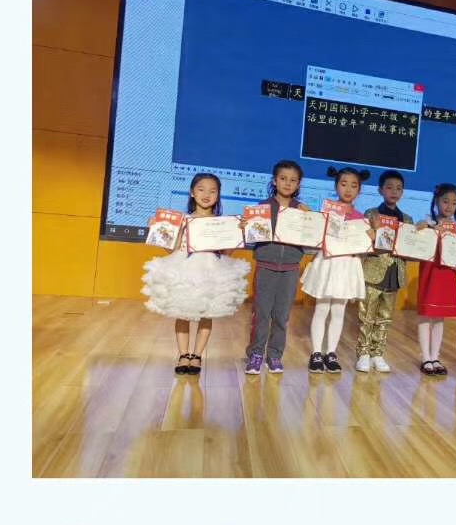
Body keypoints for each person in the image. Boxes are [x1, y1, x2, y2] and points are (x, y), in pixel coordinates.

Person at [142, 172, 250, 376]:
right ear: (192, 192)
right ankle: (183, 355)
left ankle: (197, 355)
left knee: (206, 315)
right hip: (185, 270)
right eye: (201, 189)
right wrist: (156, 231)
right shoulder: (183, 220)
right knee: (182, 313)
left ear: (218, 195)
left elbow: (226, 253)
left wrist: (240, 233)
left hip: (212, 271)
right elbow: (173, 250)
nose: (206, 195)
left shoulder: (223, 223)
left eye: (212, 191)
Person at [241, 159, 312, 375]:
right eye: (283, 178)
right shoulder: (262, 208)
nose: (287, 183)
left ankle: (274, 355)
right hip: (265, 266)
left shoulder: (302, 210)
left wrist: (311, 220)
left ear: (298, 184)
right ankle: (255, 354)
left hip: (290, 269)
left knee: (282, 316)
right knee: (261, 314)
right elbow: (251, 236)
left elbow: (312, 237)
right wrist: (245, 226)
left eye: (293, 180)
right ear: (274, 181)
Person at [300, 165, 370, 372]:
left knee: (339, 311)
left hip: (348, 265)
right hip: (328, 262)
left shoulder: (361, 218)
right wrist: (310, 217)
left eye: (354, 185)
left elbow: (365, 245)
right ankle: (316, 353)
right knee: (321, 309)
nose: (348, 189)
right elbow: (315, 234)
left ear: (360, 190)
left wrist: (372, 236)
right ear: (336, 186)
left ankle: (331, 353)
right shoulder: (327, 211)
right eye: (343, 184)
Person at [358, 170, 413, 373]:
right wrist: (375, 232)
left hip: (395, 272)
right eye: (389, 187)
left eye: (398, 188)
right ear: (380, 190)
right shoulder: (371, 214)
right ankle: (363, 353)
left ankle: (378, 353)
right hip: (373, 271)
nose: (394, 192)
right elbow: (365, 242)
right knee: (366, 315)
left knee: (385, 316)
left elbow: (410, 247)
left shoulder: (407, 219)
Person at [414, 181, 456, 376]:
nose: (449, 206)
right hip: (430, 272)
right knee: (426, 315)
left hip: (447, 274)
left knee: (439, 316)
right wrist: (421, 229)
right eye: (445, 201)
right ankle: (425, 357)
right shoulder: (427, 223)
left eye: (454, 203)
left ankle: (435, 356)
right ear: (436, 201)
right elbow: (415, 242)